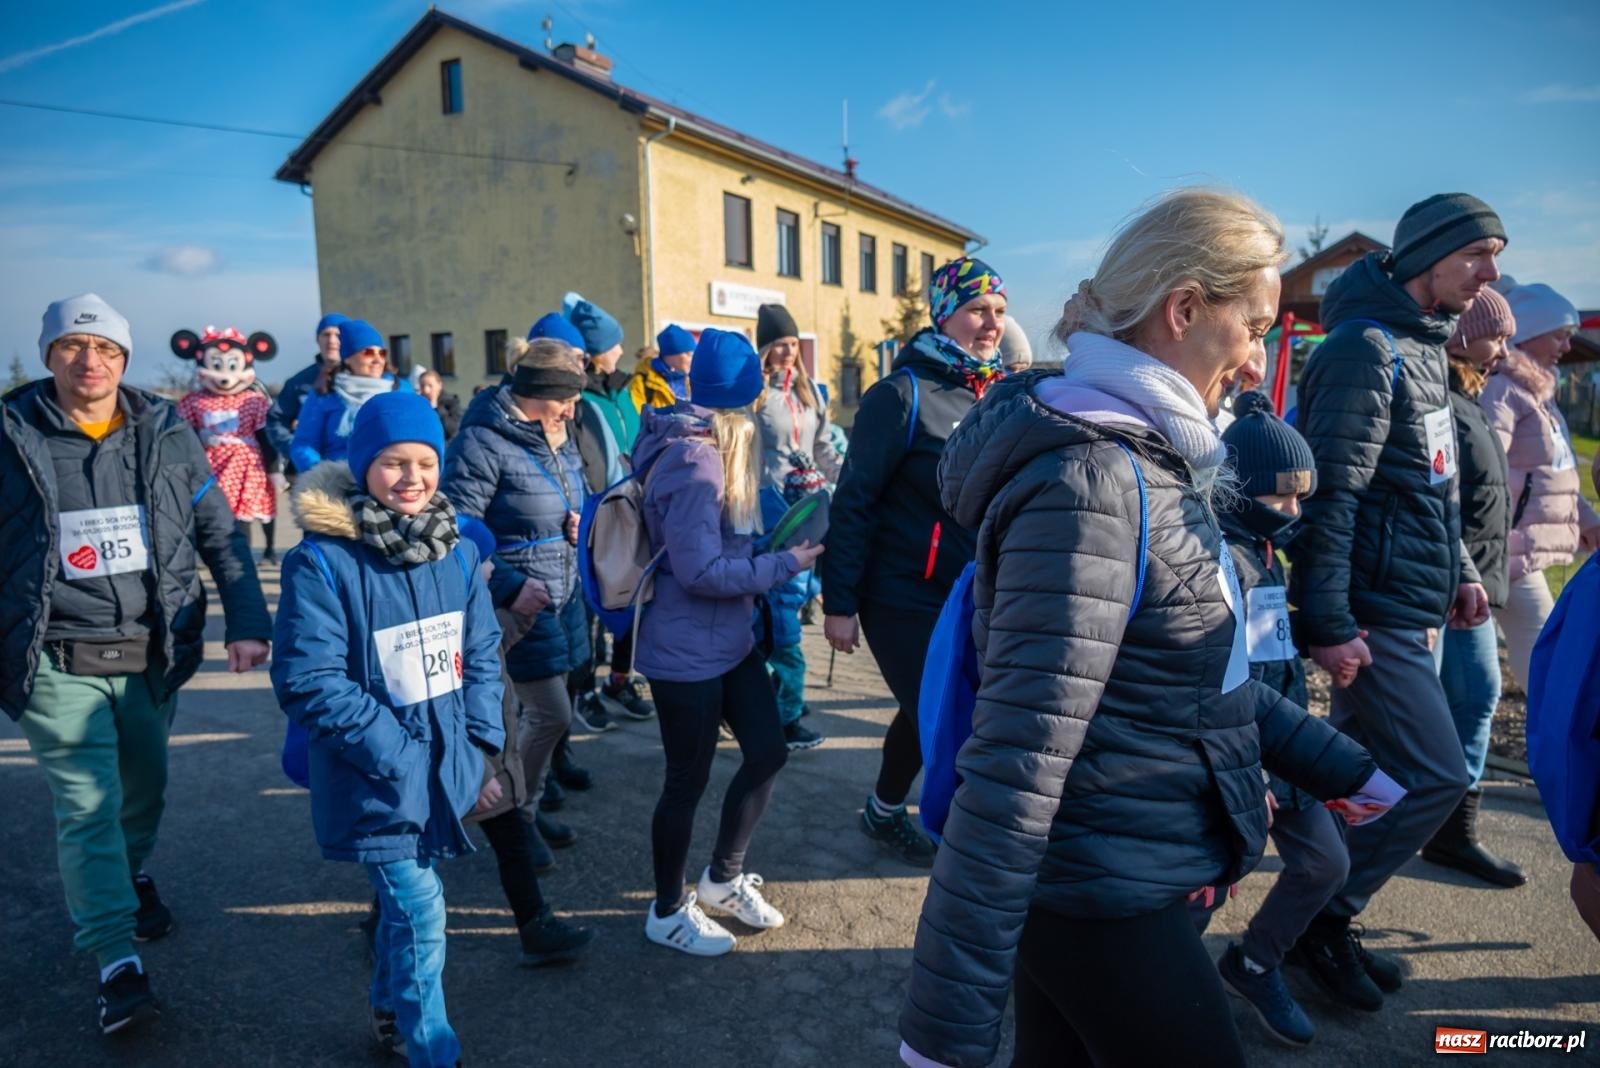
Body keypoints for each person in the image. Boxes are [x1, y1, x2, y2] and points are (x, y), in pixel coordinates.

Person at [898, 189, 1393, 1068]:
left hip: (1123, 865)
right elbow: (1017, 764)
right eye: (1256, 328)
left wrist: (1345, 770)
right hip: (1098, 889)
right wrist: (942, 1035)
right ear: (1185, 309)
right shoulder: (1095, 484)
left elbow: (1194, 678)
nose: (1259, 362)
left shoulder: (1157, 458)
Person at [3, 294, 271, 1034]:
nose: (89, 361)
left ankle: (126, 876)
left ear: (123, 359)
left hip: (151, 648)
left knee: (143, 789)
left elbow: (220, 533)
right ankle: (115, 959)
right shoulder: (10, 434)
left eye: (106, 349)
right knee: (87, 803)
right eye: (72, 346)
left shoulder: (166, 430)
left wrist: (248, 621)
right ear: (49, 353)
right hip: (55, 653)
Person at [1289, 193, 1504, 1010]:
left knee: (1360, 776)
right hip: (1371, 611)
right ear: (1425, 257)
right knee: (1434, 773)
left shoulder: (1421, 345)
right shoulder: (1363, 348)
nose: (1489, 276)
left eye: (1495, 257)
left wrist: (1462, 570)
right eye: (1477, 255)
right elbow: (1332, 495)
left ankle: (1309, 920)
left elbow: (1430, 486)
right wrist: (1329, 622)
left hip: (1412, 601)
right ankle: (1320, 919)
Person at [271, 391, 503, 1066]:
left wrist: (479, 744)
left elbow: (482, 653)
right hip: (374, 776)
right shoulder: (322, 562)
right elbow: (310, 680)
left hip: (445, 764)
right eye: (394, 463)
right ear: (364, 465)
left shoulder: (457, 552)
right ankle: (433, 1049)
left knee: (405, 910)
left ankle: (388, 1011)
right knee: (421, 908)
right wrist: (402, 756)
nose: (412, 478)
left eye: (425, 462)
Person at [632, 328, 825, 956]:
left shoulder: (713, 445)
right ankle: (666, 912)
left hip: (729, 641)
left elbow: (723, 545)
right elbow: (700, 572)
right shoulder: (696, 461)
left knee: (768, 751)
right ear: (744, 400)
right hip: (684, 651)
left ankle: (722, 878)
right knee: (685, 784)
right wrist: (785, 563)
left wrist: (777, 534)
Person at [821, 255, 1007, 867]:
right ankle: (964, 844)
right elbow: (853, 501)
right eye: (978, 310)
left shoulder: (994, 394)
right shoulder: (902, 395)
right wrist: (840, 604)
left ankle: (881, 810)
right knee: (946, 715)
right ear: (945, 314)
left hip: (967, 590)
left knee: (924, 705)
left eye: (999, 311)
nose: (992, 323)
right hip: (900, 594)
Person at [1209, 390, 1355, 1048]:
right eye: (1282, 497)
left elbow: (1268, 649)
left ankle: (1254, 962)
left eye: (1301, 497)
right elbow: (1219, 681)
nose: (1294, 512)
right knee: (1204, 888)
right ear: (1241, 490)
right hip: (1238, 758)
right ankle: (1157, 990)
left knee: (1325, 863)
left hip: (1283, 748)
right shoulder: (1222, 560)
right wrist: (1245, 770)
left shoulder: (1266, 551)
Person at [443, 338, 591, 871]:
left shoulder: (557, 433)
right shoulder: (481, 442)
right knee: (550, 712)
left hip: (564, 592)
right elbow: (457, 528)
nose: (572, 411)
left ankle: (528, 802)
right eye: (565, 399)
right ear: (536, 391)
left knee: (548, 713)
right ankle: (513, 816)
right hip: (519, 602)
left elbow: (564, 497)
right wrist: (508, 586)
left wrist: (578, 523)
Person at [454, 515, 595, 966]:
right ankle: (382, 922)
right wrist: (477, 770)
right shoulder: (448, 631)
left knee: (511, 841)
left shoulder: (476, 614)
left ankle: (535, 926)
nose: (494, 571)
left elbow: (497, 642)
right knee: (420, 845)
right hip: (468, 767)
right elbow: (446, 713)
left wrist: (522, 613)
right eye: (485, 562)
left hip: (490, 765)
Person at [1424, 286, 1524, 887]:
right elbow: (1440, 499)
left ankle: (1451, 831)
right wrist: (1461, 571)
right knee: (1424, 715)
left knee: (1478, 695)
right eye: (1497, 336)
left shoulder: (1470, 401)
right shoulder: (1440, 402)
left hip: (1473, 583)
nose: (1505, 351)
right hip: (1442, 584)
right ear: (1462, 336)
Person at [1479, 280, 1597, 690]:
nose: (1568, 346)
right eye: (1560, 335)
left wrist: (1587, 520)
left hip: (1519, 549)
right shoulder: (1502, 390)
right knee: (1544, 652)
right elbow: (1484, 466)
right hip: (1507, 549)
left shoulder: (1536, 393)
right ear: (1529, 332)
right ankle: (1552, 724)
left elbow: (1554, 470)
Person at [564, 296, 657, 724]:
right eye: (613, 344)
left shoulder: (624, 390)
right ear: (594, 350)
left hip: (632, 507)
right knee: (590, 609)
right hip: (593, 513)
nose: (621, 349)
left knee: (631, 598)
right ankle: (584, 691)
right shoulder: (577, 399)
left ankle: (620, 680)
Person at [758, 454, 829, 750]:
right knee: (792, 668)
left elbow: (803, 579)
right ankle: (787, 723)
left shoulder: (794, 539)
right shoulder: (790, 541)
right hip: (780, 620)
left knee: (774, 665)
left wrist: (817, 591)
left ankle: (783, 702)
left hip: (777, 617)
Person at [289, 319, 408, 473]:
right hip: (340, 478)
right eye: (368, 352)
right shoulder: (325, 393)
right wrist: (322, 475)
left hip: (394, 475)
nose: (377, 359)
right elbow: (305, 444)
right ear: (348, 358)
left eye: (382, 353)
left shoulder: (401, 390)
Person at [754, 303, 843, 486]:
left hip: (808, 492)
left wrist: (846, 480)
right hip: (771, 495)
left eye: (794, 344)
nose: (790, 352)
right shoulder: (756, 392)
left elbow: (822, 446)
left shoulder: (808, 388)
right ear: (766, 349)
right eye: (781, 345)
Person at [265, 312, 347, 478]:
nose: (332, 340)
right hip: (311, 473)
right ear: (318, 339)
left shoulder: (365, 379)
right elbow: (276, 420)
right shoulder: (299, 383)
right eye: (326, 334)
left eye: (338, 335)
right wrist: (296, 450)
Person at [632, 324, 692, 413]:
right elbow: (636, 416)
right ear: (672, 355)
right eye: (688, 354)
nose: (692, 359)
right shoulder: (642, 382)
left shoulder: (692, 380)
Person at [416, 369, 462, 441]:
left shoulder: (451, 403)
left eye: (430, 386)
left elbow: (452, 431)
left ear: (439, 385)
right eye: (422, 386)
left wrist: (436, 408)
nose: (426, 390)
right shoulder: (417, 406)